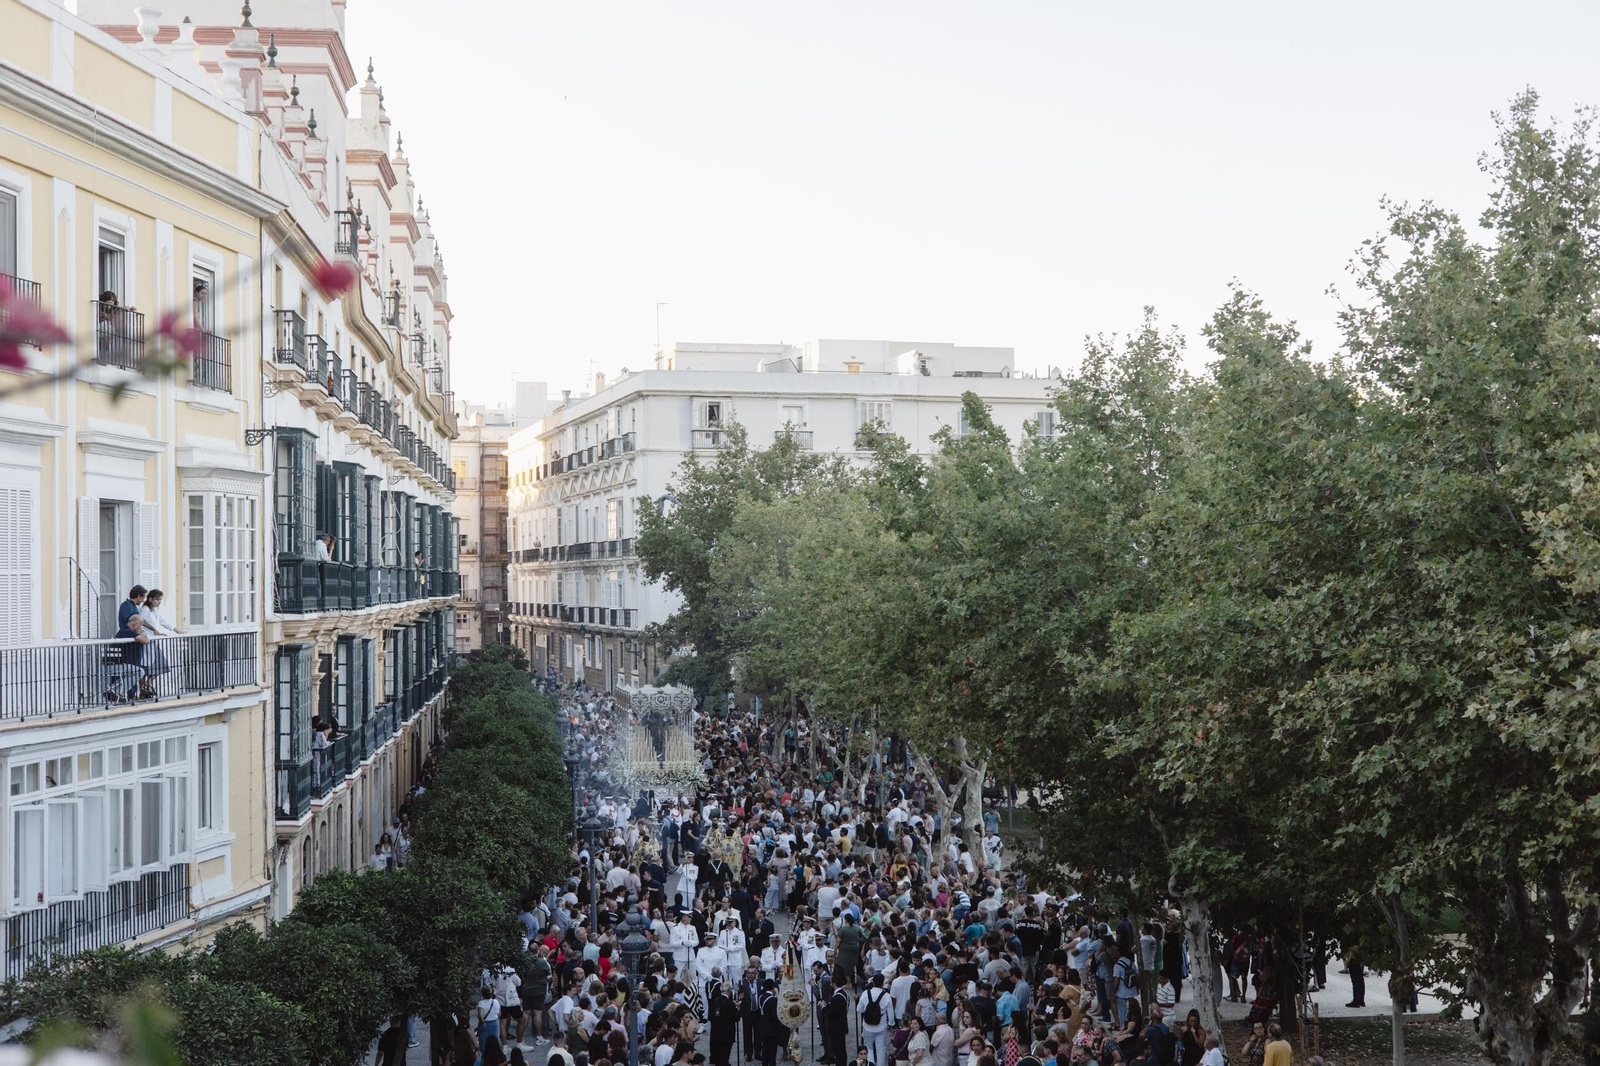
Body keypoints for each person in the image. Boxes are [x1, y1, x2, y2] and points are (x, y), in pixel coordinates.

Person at [103, 613, 153, 702]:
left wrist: (141, 633)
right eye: (140, 625)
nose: (141, 628)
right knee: (139, 671)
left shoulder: (126, 631)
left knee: (134, 671)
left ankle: (114, 691)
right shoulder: (126, 631)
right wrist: (142, 633)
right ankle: (115, 691)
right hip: (112, 666)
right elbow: (146, 640)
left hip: (116, 664)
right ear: (135, 625)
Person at [860, 974, 896, 1066]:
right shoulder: (886, 996)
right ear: (882, 983)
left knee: (869, 1049)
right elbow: (890, 1013)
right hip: (881, 1026)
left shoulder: (865, 993)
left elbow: (859, 1009)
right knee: (881, 1049)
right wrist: (891, 1024)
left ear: (873, 982)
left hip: (867, 1026)